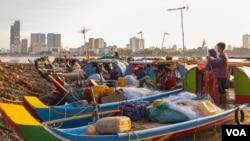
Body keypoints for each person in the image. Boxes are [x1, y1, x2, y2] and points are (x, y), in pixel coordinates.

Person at [207, 42, 228, 107]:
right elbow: (218, 63)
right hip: (221, 75)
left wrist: (211, 60)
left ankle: (224, 105)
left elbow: (218, 63)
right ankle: (220, 103)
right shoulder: (223, 55)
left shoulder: (222, 55)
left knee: (222, 90)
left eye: (218, 47)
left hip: (221, 75)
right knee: (220, 89)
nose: (217, 48)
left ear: (221, 47)